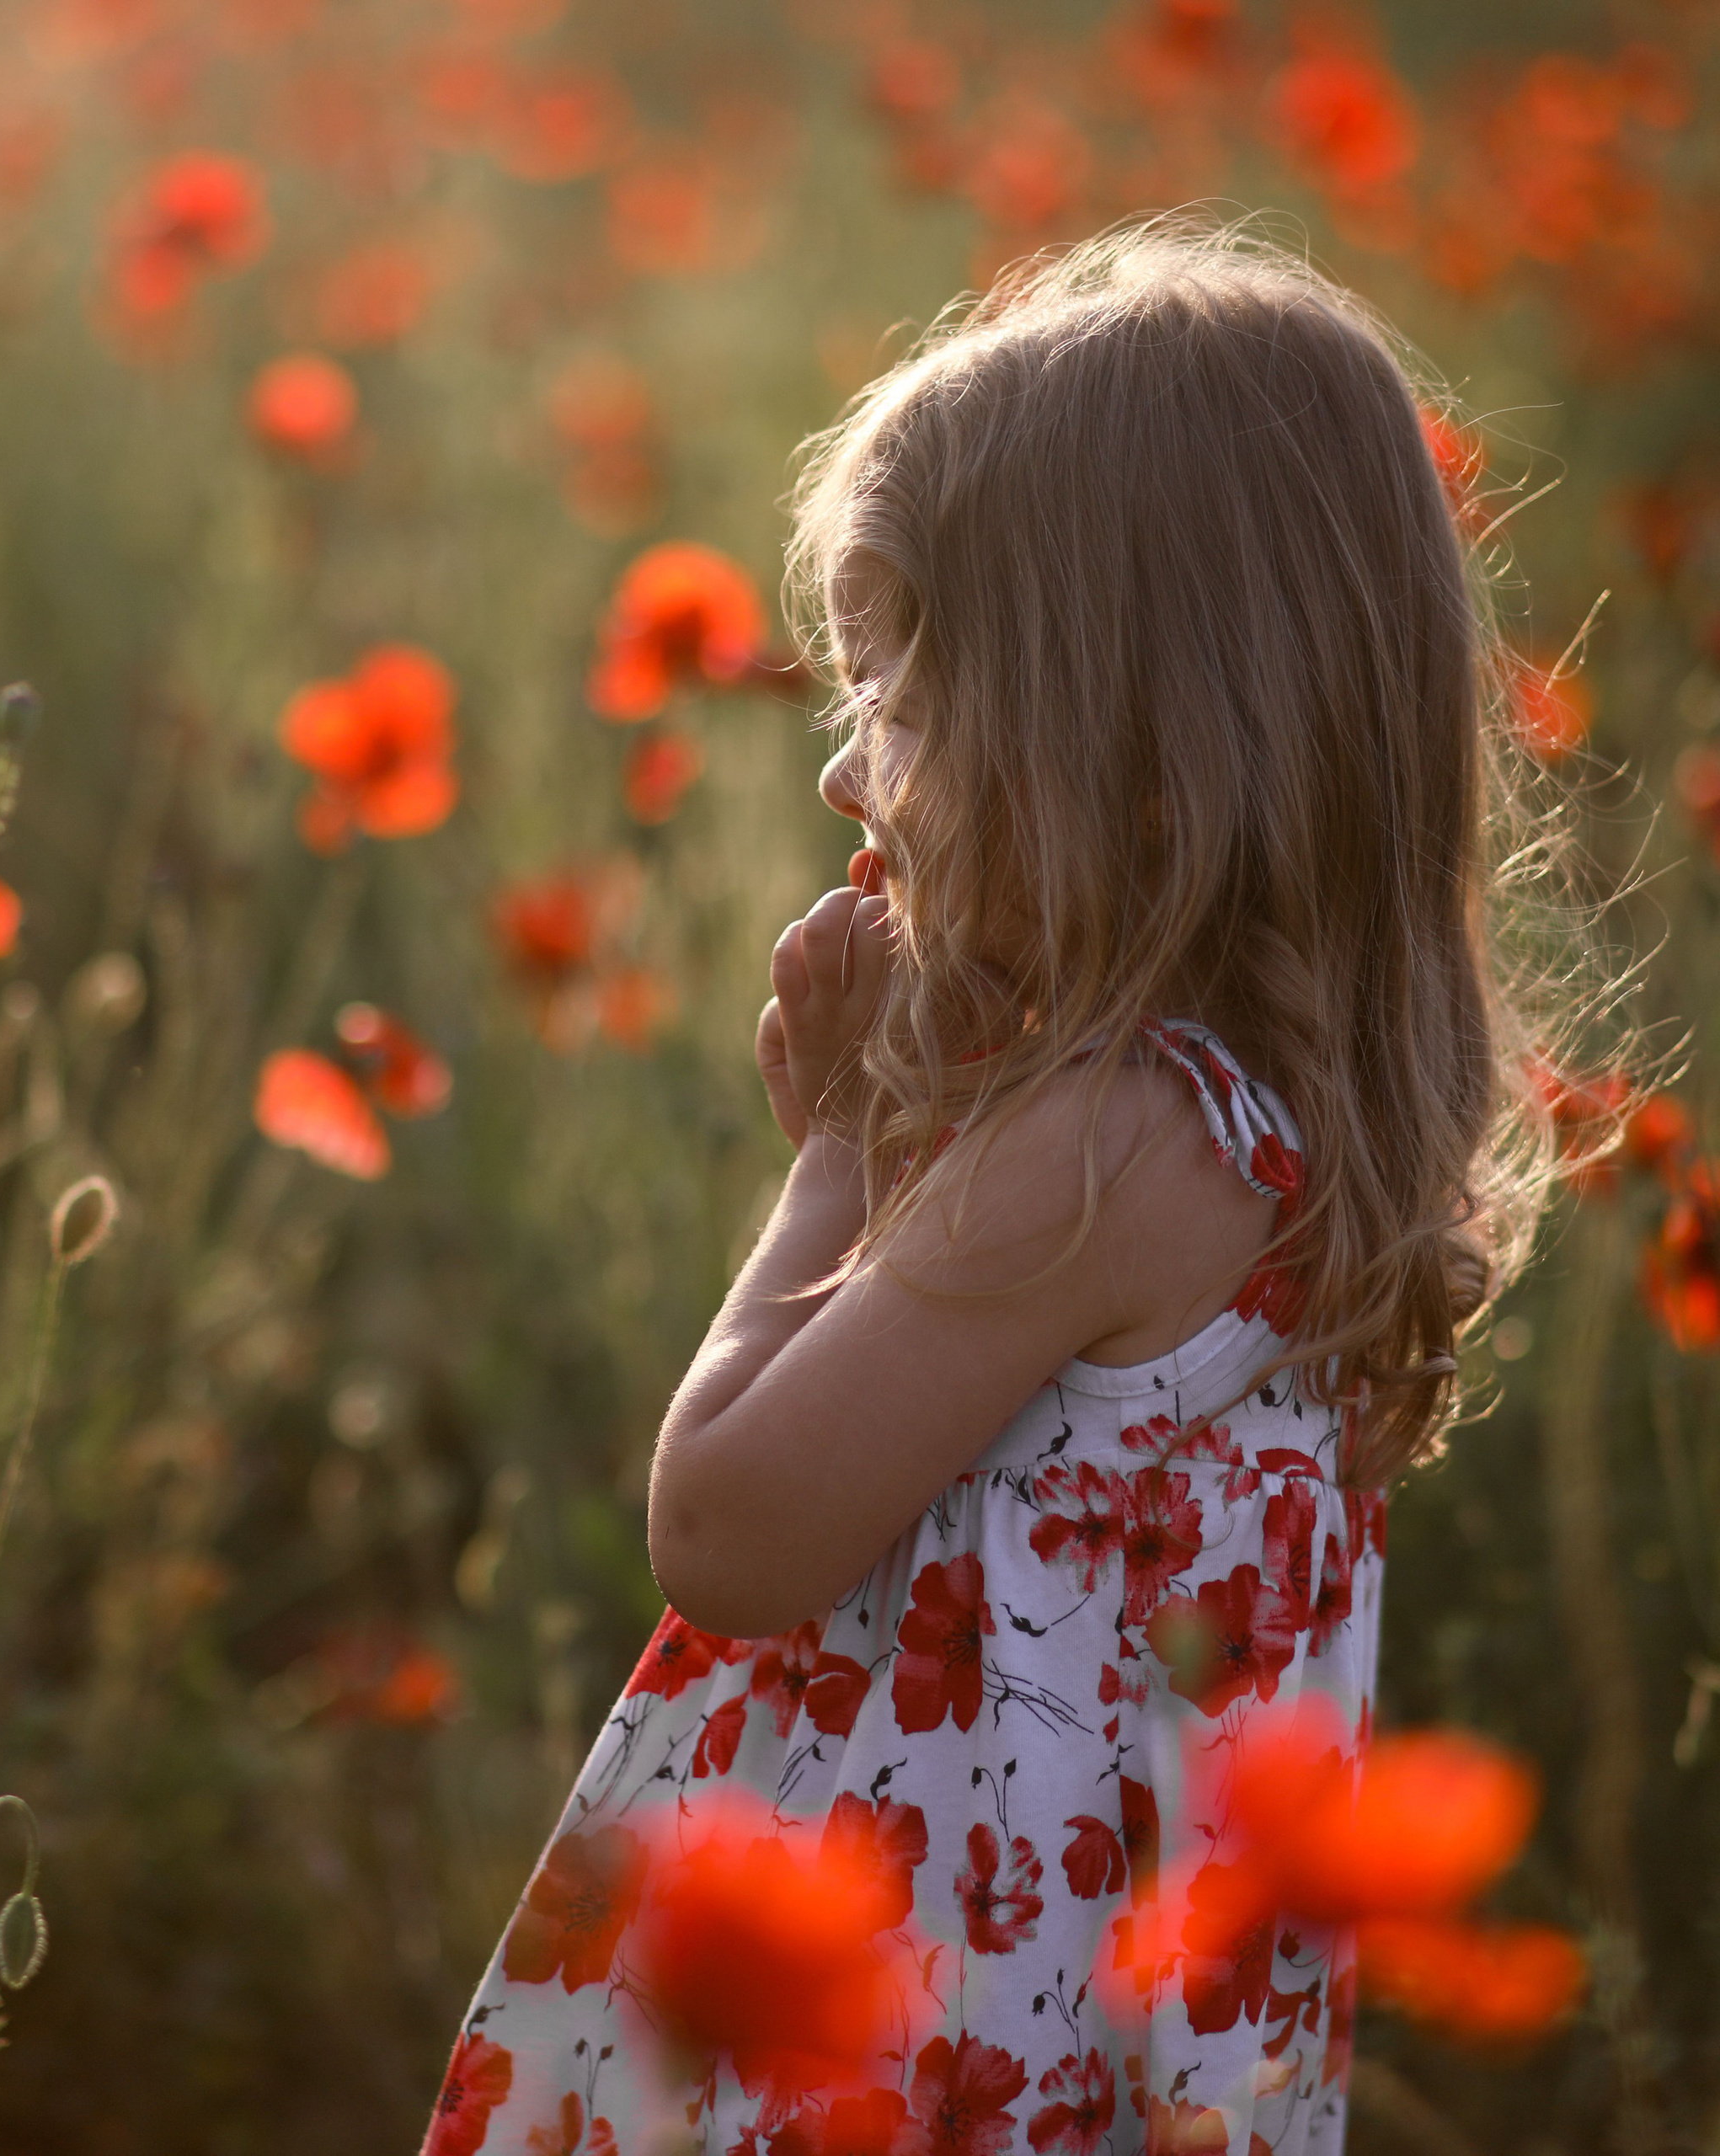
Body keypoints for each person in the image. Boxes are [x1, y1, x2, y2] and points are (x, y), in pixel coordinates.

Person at [426, 215, 1568, 2155]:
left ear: (1131, 755)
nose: (843, 780)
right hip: (1117, 2067)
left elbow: (727, 1526)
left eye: (896, 700)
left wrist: (836, 1161)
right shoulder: (1300, 1130)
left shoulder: (1097, 1145)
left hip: (905, 2048)